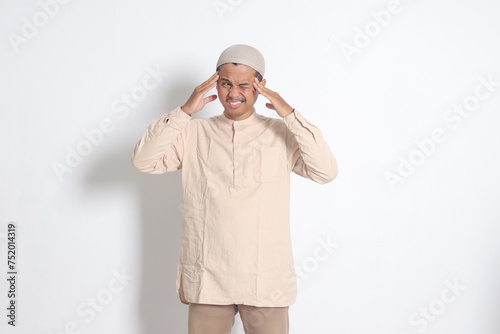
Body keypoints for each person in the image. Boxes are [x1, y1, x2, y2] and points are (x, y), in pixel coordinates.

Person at [131, 44, 338, 334]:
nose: (233, 93)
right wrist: (184, 112)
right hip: (208, 278)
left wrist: (289, 114)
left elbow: (325, 171)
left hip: (266, 279)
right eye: (226, 83)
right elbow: (144, 161)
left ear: (260, 86)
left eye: (244, 84)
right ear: (215, 82)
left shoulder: (281, 134)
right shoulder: (193, 133)